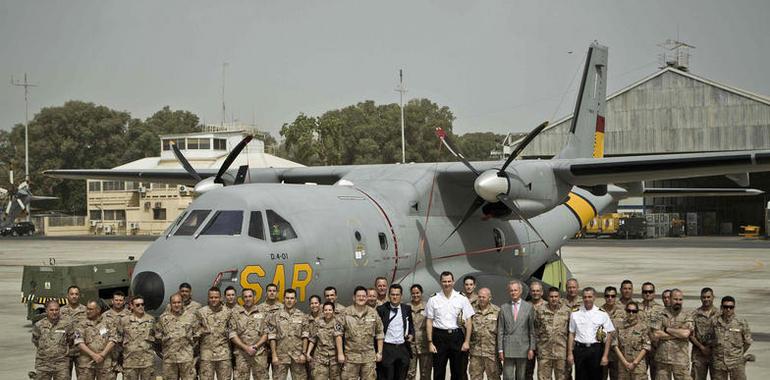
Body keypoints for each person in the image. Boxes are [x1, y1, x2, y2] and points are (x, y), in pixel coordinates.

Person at [426, 271, 475, 380]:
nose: (447, 284)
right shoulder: (433, 299)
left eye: (449, 281)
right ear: (440, 282)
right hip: (439, 337)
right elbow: (429, 321)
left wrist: (466, 342)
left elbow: (468, 321)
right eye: (444, 281)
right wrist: (430, 342)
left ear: (453, 282)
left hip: (457, 337)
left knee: (458, 371)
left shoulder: (462, 298)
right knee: (438, 371)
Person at [567, 287, 615, 380]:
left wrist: (605, 356)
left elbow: (609, 334)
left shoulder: (602, 313)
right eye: (585, 297)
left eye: (589, 297)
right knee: (580, 377)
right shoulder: (575, 313)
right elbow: (571, 333)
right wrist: (570, 353)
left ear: (594, 297)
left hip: (596, 350)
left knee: (596, 377)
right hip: (580, 349)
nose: (587, 299)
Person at [339, 285, 384, 380]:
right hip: (350, 358)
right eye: (359, 296)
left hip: (369, 358)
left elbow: (379, 333)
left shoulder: (373, 313)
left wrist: (379, 352)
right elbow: (338, 334)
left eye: (364, 296)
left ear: (367, 298)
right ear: (354, 297)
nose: (361, 298)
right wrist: (340, 353)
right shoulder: (345, 313)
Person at [498, 280, 536, 380]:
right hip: (508, 347)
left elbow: (532, 330)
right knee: (508, 376)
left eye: (515, 290)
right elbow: (500, 330)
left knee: (521, 376)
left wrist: (532, 348)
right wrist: (500, 349)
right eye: (511, 290)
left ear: (520, 291)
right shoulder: (504, 307)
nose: (513, 292)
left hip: (523, 347)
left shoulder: (528, 307)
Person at [269, 288, 311, 380]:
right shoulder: (276, 316)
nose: (289, 300)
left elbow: (305, 336)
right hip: (280, 356)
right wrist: (274, 355)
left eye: (292, 298)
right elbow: (272, 337)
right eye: (287, 298)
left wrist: (303, 353)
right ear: (283, 299)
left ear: (295, 300)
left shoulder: (302, 316)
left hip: (297, 356)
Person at [229, 288, 270, 379]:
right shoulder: (235, 313)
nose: (248, 298)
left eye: (250, 296)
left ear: (254, 297)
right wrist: (246, 348)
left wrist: (255, 346)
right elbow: (232, 334)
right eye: (245, 297)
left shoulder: (263, 313)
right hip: (241, 354)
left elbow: (266, 333)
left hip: (259, 353)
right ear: (242, 298)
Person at [651, 289, 692, 380]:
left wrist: (666, 329)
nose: (678, 302)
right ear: (670, 299)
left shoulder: (687, 314)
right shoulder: (660, 313)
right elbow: (656, 334)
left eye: (680, 299)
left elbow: (686, 334)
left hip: (680, 360)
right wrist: (677, 334)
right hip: (663, 360)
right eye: (675, 299)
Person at [155, 293, 198, 379]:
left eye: (179, 302)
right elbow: (158, 337)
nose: (176, 305)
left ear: (182, 303)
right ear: (170, 304)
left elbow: (197, 335)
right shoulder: (163, 319)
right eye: (174, 303)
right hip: (170, 359)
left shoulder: (191, 317)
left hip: (186, 359)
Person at [376, 284, 414, 380]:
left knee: (401, 377)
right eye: (392, 294)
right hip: (387, 348)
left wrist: (411, 334)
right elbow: (377, 330)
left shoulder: (406, 308)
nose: (395, 297)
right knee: (387, 376)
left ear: (401, 296)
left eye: (397, 294)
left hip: (402, 348)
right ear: (389, 295)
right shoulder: (381, 309)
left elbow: (411, 325)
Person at [74, 300, 118, 380]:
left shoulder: (108, 322)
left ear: (98, 310)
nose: (88, 311)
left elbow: (113, 339)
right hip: (86, 364)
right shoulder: (81, 323)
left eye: (91, 309)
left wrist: (102, 355)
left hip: (104, 363)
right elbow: (79, 341)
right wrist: (93, 355)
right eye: (87, 309)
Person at [711, 296, 752, 380]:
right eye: (726, 307)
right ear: (721, 307)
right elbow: (710, 338)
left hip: (736, 363)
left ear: (734, 308)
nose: (728, 309)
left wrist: (738, 354)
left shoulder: (741, 322)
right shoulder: (714, 322)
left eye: (731, 307)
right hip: (719, 363)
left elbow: (747, 342)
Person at [195, 287, 232, 380]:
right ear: (208, 298)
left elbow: (233, 331)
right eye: (211, 297)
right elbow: (194, 331)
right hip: (207, 356)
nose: (213, 299)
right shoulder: (201, 312)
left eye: (216, 297)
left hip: (223, 355)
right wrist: (202, 331)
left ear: (221, 298)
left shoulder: (228, 312)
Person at [534, 287, 570, 380]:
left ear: (559, 297)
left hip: (561, 352)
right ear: (547, 297)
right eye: (551, 296)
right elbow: (536, 330)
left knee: (562, 377)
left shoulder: (566, 311)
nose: (553, 299)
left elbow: (571, 332)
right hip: (545, 352)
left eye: (556, 296)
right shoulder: (540, 310)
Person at [32, 300, 73, 380]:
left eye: (56, 310)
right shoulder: (39, 325)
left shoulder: (66, 325)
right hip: (43, 364)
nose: (54, 312)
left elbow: (70, 340)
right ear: (46, 310)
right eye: (51, 310)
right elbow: (36, 340)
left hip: (61, 364)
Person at [119, 295, 156, 380]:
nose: (141, 307)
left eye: (142, 304)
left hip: (147, 362)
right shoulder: (124, 321)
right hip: (130, 362)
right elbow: (118, 339)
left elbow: (156, 338)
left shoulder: (151, 319)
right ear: (131, 306)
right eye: (138, 305)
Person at [306, 302, 344, 380]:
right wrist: (308, 353)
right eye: (325, 310)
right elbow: (313, 339)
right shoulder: (317, 322)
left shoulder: (338, 322)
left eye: (330, 310)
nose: (328, 312)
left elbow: (338, 337)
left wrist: (340, 354)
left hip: (334, 358)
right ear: (322, 311)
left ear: (333, 311)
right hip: (320, 357)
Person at [468, 287, 500, 380]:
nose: (481, 299)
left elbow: (501, 332)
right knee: (475, 377)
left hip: (492, 352)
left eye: (484, 297)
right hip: (476, 352)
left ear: (489, 298)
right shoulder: (471, 311)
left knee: (494, 377)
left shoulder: (497, 311)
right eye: (480, 297)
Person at [613, 301, 650, 380]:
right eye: (629, 311)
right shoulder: (619, 326)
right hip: (623, 365)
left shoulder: (643, 326)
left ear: (637, 312)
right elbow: (615, 345)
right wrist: (625, 363)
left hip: (638, 366)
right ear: (625, 311)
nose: (631, 313)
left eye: (634, 311)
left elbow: (646, 346)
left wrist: (635, 363)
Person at [690, 287, 717, 380]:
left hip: (716, 353)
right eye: (704, 297)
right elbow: (690, 334)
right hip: (699, 354)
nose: (706, 299)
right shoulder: (694, 314)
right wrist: (702, 348)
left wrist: (709, 347)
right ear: (701, 298)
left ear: (713, 297)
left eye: (708, 297)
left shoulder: (719, 314)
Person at [600, 286, 626, 380]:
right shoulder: (598, 312)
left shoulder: (623, 312)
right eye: (607, 296)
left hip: (617, 352)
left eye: (612, 296)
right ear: (604, 297)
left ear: (616, 297)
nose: (610, 298)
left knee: (617, 377)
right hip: (601, 351)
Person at [639, 282, 664, 378]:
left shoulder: (661, 309)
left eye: (650, 291)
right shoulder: (636, 308)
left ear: (654, 293)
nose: (647, 294)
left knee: (657, 376)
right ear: (642, 293)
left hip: (656, 349)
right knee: (640, 376)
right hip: (640, 349)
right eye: (645, 291)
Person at [103, 291, 130, 378]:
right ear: (112, 301)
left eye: (121, 300)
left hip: (126, 354)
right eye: (116, 300)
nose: (118, 302)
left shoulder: (130, 315)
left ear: (124, 301)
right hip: (111, 355)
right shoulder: (105, 316)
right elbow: (101, 332)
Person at [61, 285, 87, 376]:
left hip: (82, 352)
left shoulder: (85, 311)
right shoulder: (61, 311)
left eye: (76, 294)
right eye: (72, 294)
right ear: (67, 296)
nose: (74, 296)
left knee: (83, 377)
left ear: (79, 296)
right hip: (65, 352)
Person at [408, 284, 432, 380]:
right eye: (413, 293)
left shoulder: (428, 306)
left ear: (421, 293)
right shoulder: (406, 307)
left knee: (425, 374)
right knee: (410, 374)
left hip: (425, 345)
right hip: (410, 346)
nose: (415, 295)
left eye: (417, 293)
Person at [526, 281, 546, 380]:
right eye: (533, 291)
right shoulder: (525, 306)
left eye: (538, 291)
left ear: (542, 292)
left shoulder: (548, 306)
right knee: (528, 372)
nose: (535, 293)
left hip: (544, 345)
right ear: (530, 292)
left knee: (543, 373)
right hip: (529, 344)